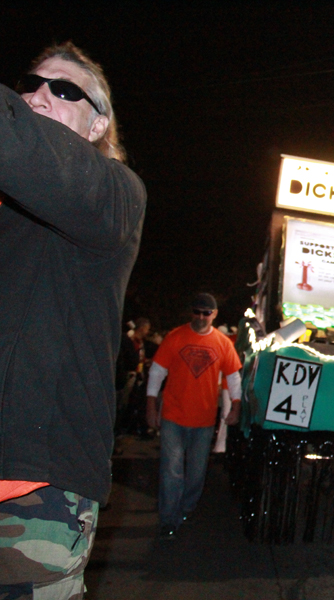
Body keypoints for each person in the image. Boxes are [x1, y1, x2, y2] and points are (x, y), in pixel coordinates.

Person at [0, 43, 146, 598]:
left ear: (97, 124)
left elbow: (24, 150)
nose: (39, 95)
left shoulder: (115, 193)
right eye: (29, 85)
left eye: (65, 90)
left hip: (36, 491)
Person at [146, 294, 242, 539]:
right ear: (191, 312)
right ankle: (169, 518)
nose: (201, 317)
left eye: (206, 313)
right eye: (197, 312)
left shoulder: (222, 343)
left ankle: (186, 508)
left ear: (215, 314)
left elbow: (233, 377)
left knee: (196, 472)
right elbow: (157, 372)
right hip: (173, 417)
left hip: (204, 420)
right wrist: (151, 404)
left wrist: (236, 405)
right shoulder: (175, 337)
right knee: (171, 470)